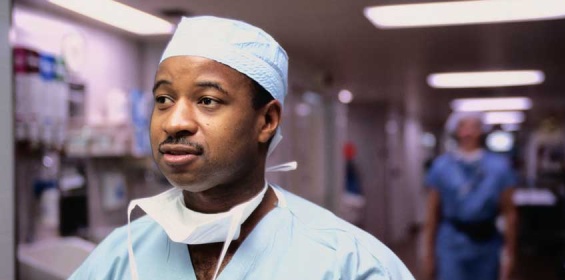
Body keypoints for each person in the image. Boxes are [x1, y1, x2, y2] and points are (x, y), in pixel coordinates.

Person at [70, 16, 413, 280]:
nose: (174, 122)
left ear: (266, 121)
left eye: (207, 100)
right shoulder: (118, 257)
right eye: (163, 99)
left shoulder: (348, 263)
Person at [422, 112, 518, 280]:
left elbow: (510, 212)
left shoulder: (499, 167)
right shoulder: (441, 167)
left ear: (481, 131)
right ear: (456, 131)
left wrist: (509, 253)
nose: (468, 132)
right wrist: (428, 253)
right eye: (463, 126)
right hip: (451, 242)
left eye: (473, 127)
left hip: (486, 243)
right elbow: (432, 214)